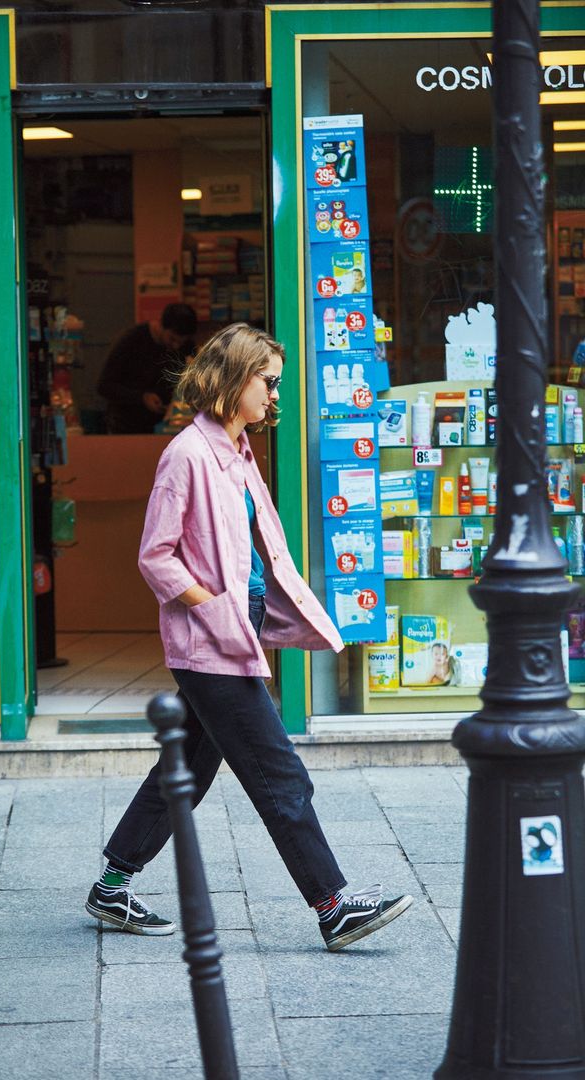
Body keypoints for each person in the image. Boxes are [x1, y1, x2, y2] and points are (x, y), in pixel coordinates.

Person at [85, 323, 413, 951]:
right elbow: (156, 557)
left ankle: (111, 885)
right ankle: (334, 905)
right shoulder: (187, 453)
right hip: (212, 643)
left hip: (239, 628)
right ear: (234, 378)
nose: (274, 395)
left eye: (277, 383)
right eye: (268, 381)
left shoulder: (237, 451)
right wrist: (213, 613)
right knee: (279, 771)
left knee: (183, 770)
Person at [96, 303, 197, 433]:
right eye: (172, 339)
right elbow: (104, 386)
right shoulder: (132, 340)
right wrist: (142, 397)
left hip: (166, 426)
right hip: (126, 426)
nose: (176, 346)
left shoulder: (185, 347)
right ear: (161, 325)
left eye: (181, 342)